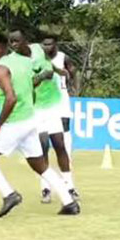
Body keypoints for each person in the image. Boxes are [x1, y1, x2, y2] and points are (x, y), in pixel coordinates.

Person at [0, 33, 79, 218]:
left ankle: (9, 195)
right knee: (40, 165)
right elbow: (31, 90)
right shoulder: (23, 61)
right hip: (30, 120)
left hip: (14, 123)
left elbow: (11, 98)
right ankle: (69, 203)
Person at [35, 35, 79, 203]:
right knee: (43, 147)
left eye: (49, 44)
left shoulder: (63, 58)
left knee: (63, 147)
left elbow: (73, 72)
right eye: (44, 44)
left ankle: (70, 187)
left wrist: (75, 88)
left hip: (62, 104)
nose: (46, 47)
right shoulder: (36, 60)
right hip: (42, 106)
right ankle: (45, 188)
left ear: (55, 45)